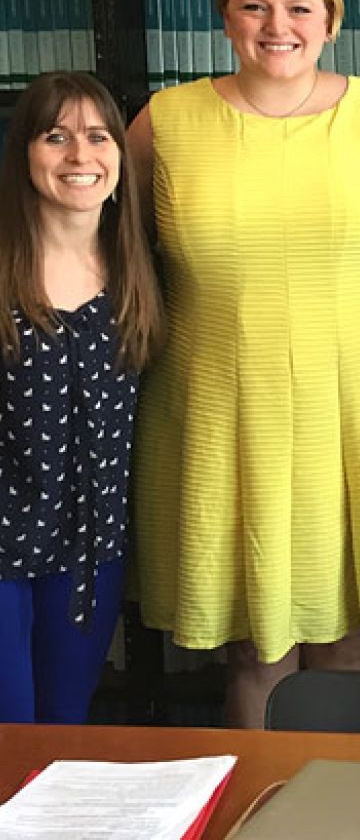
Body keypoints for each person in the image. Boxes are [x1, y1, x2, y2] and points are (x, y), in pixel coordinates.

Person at [125, 0, 360, 729]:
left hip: (357, 411)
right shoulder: (164, 122)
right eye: (254, 5)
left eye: (300, 6)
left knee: (350, 640)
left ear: (330, 18)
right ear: (224, 17)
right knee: (255, 648)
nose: (277, 25)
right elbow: (98, 240)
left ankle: (359, 811)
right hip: (219, 408)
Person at [0, 72, 163, 722]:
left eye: (98, 137)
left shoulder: (137, 272)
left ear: (120, 163)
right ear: (24, 156)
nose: (79, 155)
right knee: (10, 736)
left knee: (63, 730)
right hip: (4, 557)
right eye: (56, 136)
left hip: (90, 555)